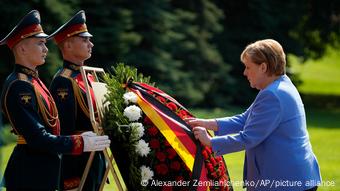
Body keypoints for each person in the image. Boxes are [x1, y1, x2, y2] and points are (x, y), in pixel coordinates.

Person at [185, 39, 321, 191]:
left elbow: (248, 138)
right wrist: (206, 123)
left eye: (248, 67)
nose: (244, 72)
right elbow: (245, 119)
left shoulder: (273, 94)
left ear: (263, 67)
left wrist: (210, 142)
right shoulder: (276, 87)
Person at [0, 10, 110, 191]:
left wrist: (80, 138)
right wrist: (80, 143)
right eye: (40, 43)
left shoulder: (32, 81)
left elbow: (53, 126)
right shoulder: (19, 86)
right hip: (31, 172)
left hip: (43, 169)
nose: (46, 49)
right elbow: (37, 138)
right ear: (22, 49)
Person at [48, 10, 105, 191]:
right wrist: (70, 176)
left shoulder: (88, 76)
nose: (91, 44)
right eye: (85, 40)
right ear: (69, 45)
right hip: (77, 164)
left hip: (95, 157)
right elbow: (64, 131)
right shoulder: (63, 81)